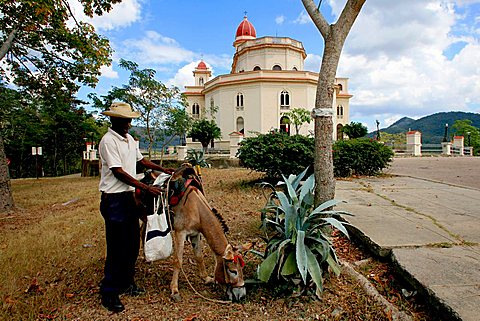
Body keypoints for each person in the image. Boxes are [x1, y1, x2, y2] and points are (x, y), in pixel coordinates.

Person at [98, 102, 174, 312]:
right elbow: (118, 172)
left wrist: (162, 168)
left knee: (131, 244)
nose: (129, 124)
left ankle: (127, 282)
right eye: (124, 120)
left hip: (129, 198)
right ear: (114, 120)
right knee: (116, 247)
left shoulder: (129, 139)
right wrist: (145, 187)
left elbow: (142, 161)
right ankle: (109, 292)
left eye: (129, 120)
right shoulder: (108, 141)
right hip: (114, 199)